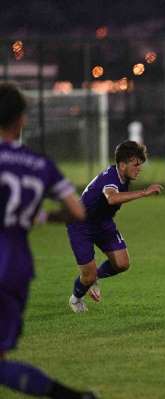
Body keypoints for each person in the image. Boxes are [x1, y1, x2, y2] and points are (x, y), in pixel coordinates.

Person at [0, 82, 97, 398]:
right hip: (16, 265)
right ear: (21, 120)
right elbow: (76, 211)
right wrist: (39, 216)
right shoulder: (41, 165)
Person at [67, 140, 163, 313]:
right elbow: (111, 198)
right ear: (122, 164)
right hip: (81, 224)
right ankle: (76, 299)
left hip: (103, 222)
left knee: (122, 263)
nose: (139, 168)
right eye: (135, 164)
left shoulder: (123, 176)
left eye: (140, 164)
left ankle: (95, 278)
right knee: (87, 276)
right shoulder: (110, 177)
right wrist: (144, 192)